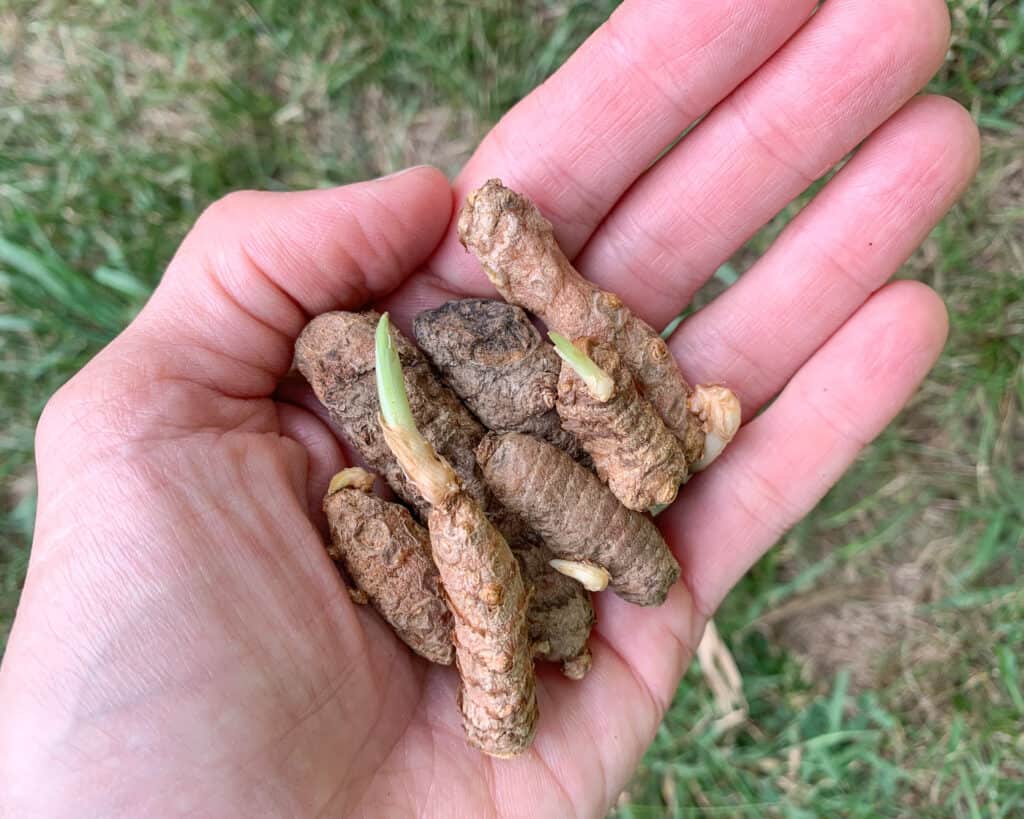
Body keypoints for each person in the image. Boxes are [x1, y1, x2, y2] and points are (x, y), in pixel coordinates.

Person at [0, 1, 979, 816]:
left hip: (545, 492)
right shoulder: (468, 490)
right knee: (510, 484)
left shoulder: (549, 431)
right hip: (501, 568)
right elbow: (478, 526)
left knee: (535, 470)